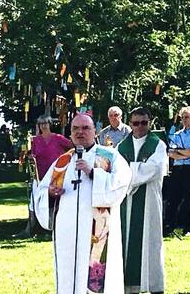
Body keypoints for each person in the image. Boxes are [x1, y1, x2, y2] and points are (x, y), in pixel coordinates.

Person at [34, 113, 132, 294]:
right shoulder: (62, 161)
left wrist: (93, 173)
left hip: (97, 231)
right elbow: (40, 190)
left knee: (97, 280)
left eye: (85, 128)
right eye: (75, 129)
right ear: (70, 133)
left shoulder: (109, 156)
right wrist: (49, 193)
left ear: (94, 131)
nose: (80, 132)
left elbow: (121, 183)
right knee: (68, 276)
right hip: (67, 232)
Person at [118, 108, 167, 294]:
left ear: (150, 122)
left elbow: (155, 169)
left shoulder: (158, 145)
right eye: (136, 123)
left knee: (151, 242)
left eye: (144, 123)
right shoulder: (121, 147)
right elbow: (117, 171)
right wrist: (136, 170)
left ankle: (154, 285)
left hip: (149, 202)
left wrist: (130, 173)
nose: (139, 127)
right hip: (126, 202)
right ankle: (129, 287)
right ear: (130, 124)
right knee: (127, 242)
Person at [164, 106, 190, 235]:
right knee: (173, 198)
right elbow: (170, 152)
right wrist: (186, 153)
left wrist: (182, 152)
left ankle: (188, 228)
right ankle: (169, 227)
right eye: (183, 117)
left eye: (187, 117)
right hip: (178, 169)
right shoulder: (177, 135)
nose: (184, 120)